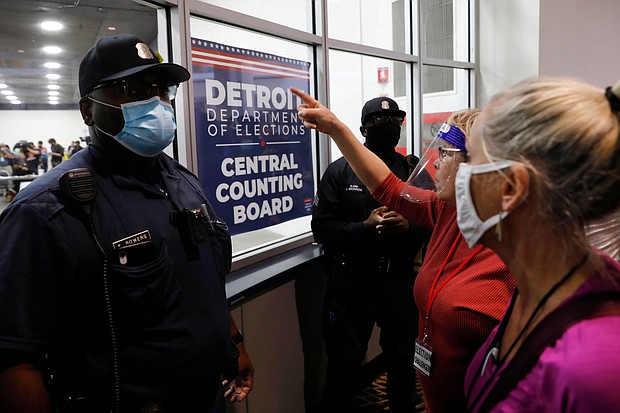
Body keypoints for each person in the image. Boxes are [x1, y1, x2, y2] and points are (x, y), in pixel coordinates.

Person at [0, 33, 254, 413]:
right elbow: (14, 355)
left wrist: (234, 345)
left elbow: (202, 283)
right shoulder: (47, 211)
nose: (154, 102)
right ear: (88, 111)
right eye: (130, 89)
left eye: (160, 89)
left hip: (208, 397)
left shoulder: (183, 183)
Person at [291, 88, 515, 413]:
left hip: (481, 399)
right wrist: (336, 128)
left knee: (399, 372)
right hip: (360, 289)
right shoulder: (446, 210)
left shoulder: (514, 245)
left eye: (447, 153)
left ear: (474, 165)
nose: (437, 162)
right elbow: (390, 188)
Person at [457, 77, 620, 412]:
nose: (461, 175)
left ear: (511, 188)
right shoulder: (538, 286)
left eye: (471, 159)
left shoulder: (593, 368)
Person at [312, 97, 430, 413]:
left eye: (394, 120)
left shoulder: (412, 171)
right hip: (352, 281)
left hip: (400, 280)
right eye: (379, 120)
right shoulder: (339, 172)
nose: (388, 126)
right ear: (363, 128)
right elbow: (322, 229)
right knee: (345, 365)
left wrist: (408, 226)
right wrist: (364, 227)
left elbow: (434, 222)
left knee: (404, 364)